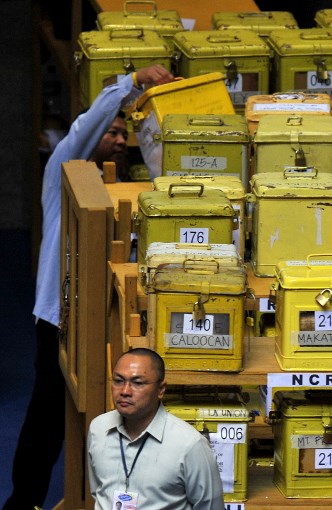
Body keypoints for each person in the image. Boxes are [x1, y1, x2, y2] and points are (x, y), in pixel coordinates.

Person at [2, 64, 174, 510]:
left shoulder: (127, 194)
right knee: (47, 418)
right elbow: (84, 126)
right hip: (57, 321)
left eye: (124, 135)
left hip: (106, 324)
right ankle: (23, 504)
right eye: (112, 132)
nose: (120, 140)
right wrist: (131, 84)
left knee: (111, 418)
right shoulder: (63, 176)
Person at [88, 348, 224, 510]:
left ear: (161, 390)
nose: (125, 391)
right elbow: (99, 493)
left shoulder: (190, 445)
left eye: (137, 383)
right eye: (118, 381)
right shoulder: (98, 429)